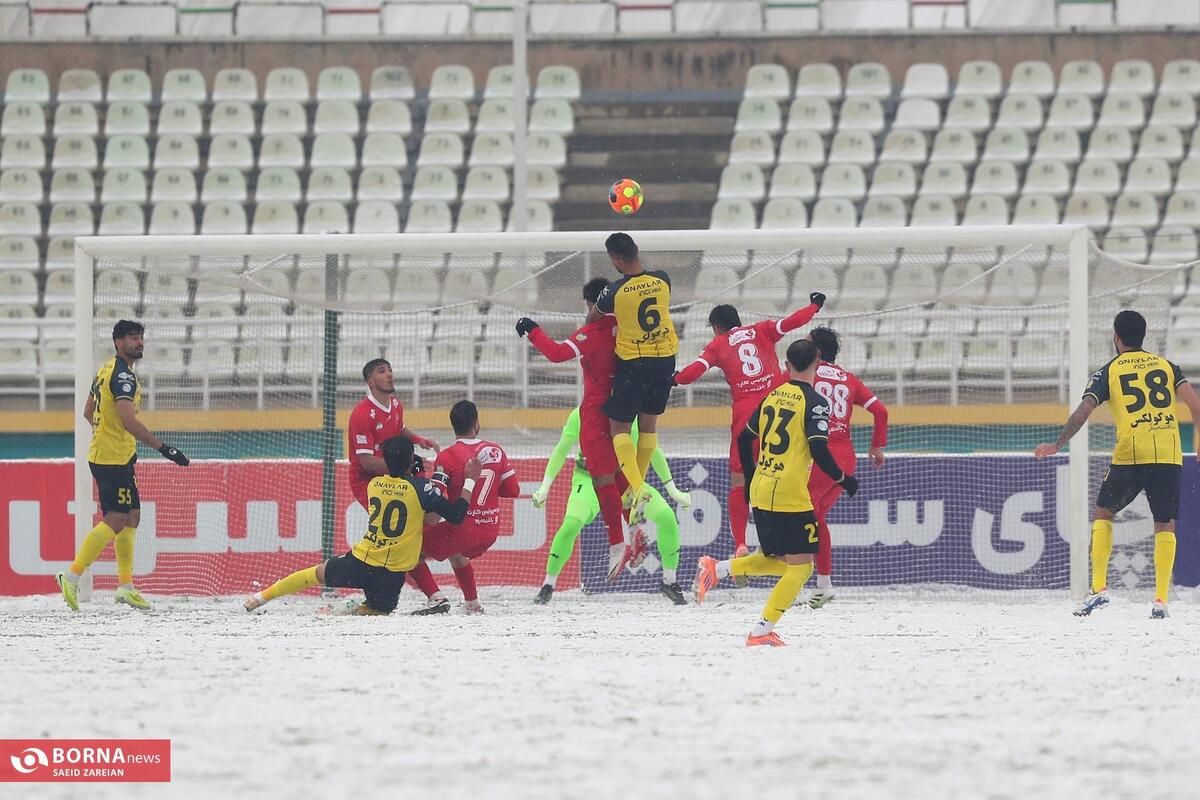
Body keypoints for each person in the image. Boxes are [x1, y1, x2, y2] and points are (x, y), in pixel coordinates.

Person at [1035, 310, 1200, 619]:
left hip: (1131, 451)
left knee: (1103, 513)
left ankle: (1099, 589)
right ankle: (1161, 601)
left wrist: (1058, 443)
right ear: (1143, 336)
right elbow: (1195, 404)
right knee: (1164, 523)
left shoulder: (1108, 372)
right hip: (1168, 451)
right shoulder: (1168, 367)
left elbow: (1083, 411)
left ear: (1116, 338)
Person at [694, 340, 859, 647]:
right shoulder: (816, 402)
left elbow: (744, 439)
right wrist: (843, 478)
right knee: (802, 568)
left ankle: (716, 569)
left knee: (782, 561)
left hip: (761, 487)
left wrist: (751, 473)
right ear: (818, 364)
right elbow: (819, 449)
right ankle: (759, 631)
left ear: (786, 366)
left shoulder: (772, 396)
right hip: (790, 494)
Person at [245, 437, 478, 615]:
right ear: (410, 460)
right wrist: (469, 479)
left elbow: (402, 482)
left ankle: (260, 597)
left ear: (386, 462)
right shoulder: (422, 489)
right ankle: (342, 611)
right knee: (377, 612)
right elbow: (456, 514)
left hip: (362, 561)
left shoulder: (374, 485)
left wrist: (414, 473)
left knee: (314, 574)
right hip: (391, 576)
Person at [672, 294, 826, 559]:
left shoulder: (718, 344)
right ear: (738, 321)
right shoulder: (761, 330)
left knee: (740, 481)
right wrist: (815, 305)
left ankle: (741, 544)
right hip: (780, 407)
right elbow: (792, 322)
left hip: (746, 416)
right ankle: (780, 544)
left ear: (717, 327)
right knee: (783, 473)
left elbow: (692, 373)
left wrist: (673, 379)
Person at [56, 320, 190, 612]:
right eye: (133, 338)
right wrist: (164, 448)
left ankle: (125, 587)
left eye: (141, 337)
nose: (139, 342)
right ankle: (71, 576)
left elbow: (88, 411)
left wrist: (105, 433)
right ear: (118, 342)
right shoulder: (123, 377)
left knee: (132, 516)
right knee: (116, 518)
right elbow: (129, 421)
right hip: (111, 458)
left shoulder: (107, 369)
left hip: (115, 455)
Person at [517, 277, 636, 580]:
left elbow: (556, 354)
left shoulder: (591, 333)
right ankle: (635, 528)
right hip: (625, 408)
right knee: (620, 473)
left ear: (591, 303)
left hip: (597, 411)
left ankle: (617, 544)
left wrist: (532, 330)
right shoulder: (629, 327)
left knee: (601, 478)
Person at [530, 406, 692, 606]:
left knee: (667, 517)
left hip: (626, 480)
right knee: (571, 524)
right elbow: (561, 449)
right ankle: (548, 584)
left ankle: (670, 581)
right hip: (589, 479)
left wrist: (672, 488)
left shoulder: (632, 412)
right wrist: (545, 486)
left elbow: (652, 449)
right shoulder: (580, 414)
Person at [586, 232, 678, 525]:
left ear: (615, 259)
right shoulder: (663, 279)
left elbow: (593, 318)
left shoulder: (614, 291)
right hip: (666, 359)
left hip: (635, 361)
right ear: (637, 250)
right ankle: (635, 490)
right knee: (648, 426)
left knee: (620, 429)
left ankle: (637, 489)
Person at [408, 401, 521, 614]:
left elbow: (435, 496)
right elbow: (513, 490)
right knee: (456, 552)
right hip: (490, 531)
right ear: (476, 424)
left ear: (453, 426)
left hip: (462, 530)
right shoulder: (495, 450)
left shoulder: (447, 456)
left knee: (410, 550)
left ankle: (436, 598)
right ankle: (472, 603)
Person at [804, 326, 888, 608]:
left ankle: (792, 579)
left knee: (799, 515)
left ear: (815, 351)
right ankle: (823, 584)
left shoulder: (806, 375)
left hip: (820, 457)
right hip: (845, 458)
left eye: (805, 343)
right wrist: (876, 446)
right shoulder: (848, 379)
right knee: (817, 520)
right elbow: (881, 411)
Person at [348, 358, 439, 511]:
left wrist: (420, 440)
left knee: (423, 511)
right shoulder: (362, 415)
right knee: (392, 520)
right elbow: (366, 462)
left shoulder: (396, 405)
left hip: (392, 473)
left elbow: (400, 428)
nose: (389, 375)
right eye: (382, 371)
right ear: (370, 382)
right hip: (367, 480)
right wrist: (405, 467)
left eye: (390, 370)